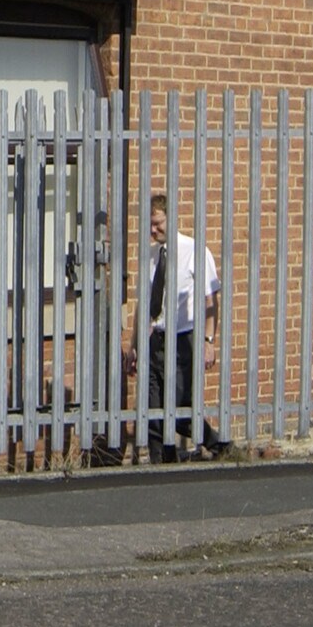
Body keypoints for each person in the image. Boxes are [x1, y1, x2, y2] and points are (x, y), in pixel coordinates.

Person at [127, 193, 227, 462]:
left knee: (182, 408)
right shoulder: (150, 255)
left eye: (158, 223)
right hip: (155, 339)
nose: (153, 230)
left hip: (184, 339)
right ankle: (162, 466)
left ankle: (218, 444)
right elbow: (144, 304)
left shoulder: (195, 251)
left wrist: (208, 341)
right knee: (153, 410)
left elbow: (210, 300)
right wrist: (134, 346)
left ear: (171, 219)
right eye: (149, 224)